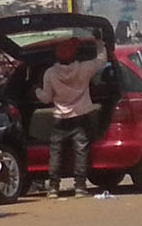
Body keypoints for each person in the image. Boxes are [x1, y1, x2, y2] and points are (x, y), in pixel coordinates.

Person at [35, 38, 106, 197]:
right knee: (80, 151)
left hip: (60, 119)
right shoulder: (85, 68)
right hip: (81, 117)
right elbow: (102, 60)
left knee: (56, 153)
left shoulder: (50, 73)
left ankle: (53, 188)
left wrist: (37, 91)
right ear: (75, 55)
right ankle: (80, 187)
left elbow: (46, 98)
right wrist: (99, 43)